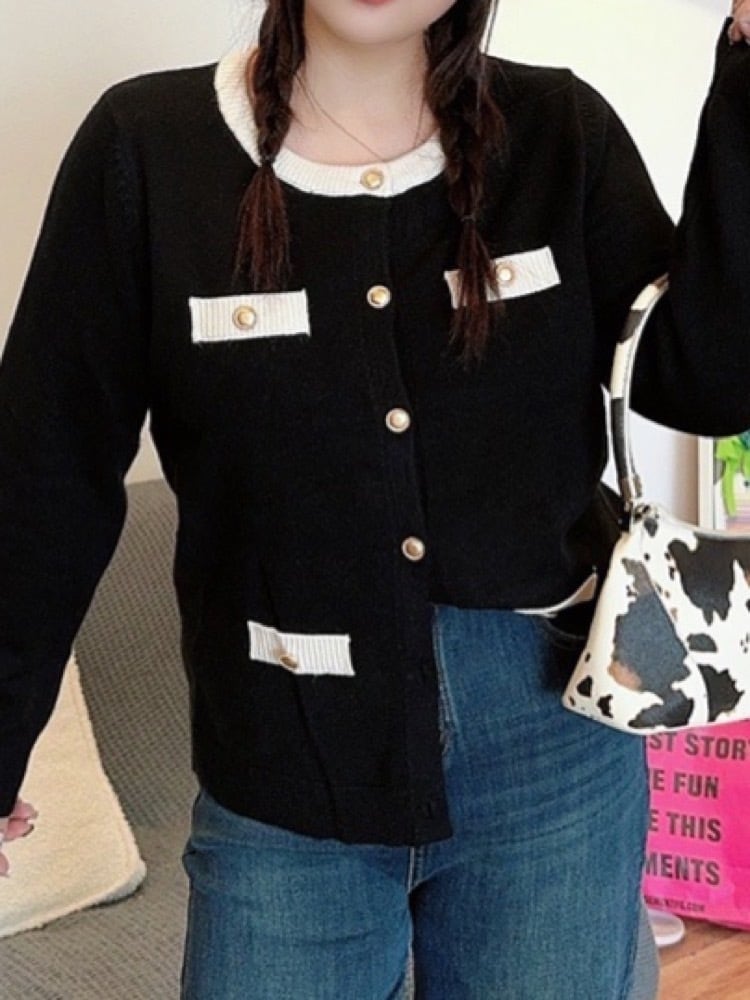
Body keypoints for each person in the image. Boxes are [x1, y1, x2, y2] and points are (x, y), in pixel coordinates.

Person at [2, 1, 750, 996]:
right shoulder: (146, 149)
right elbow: (42, 481)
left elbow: (704, 389)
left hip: (553, 752)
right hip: (281, 765)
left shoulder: (561, 134)